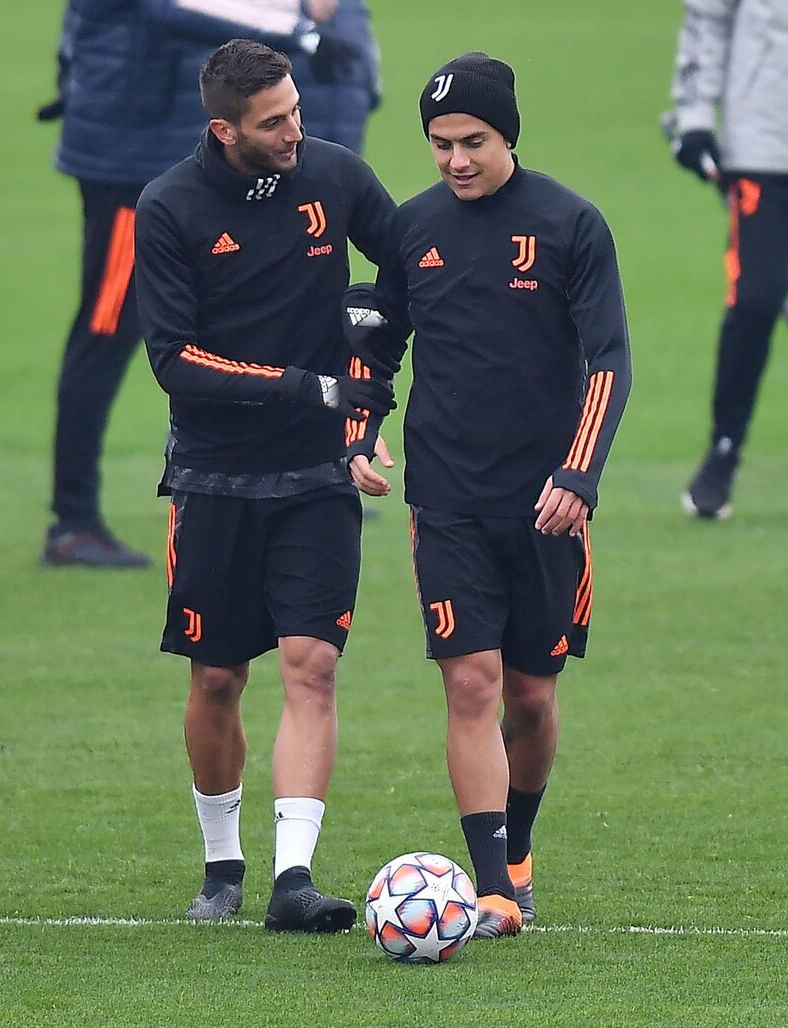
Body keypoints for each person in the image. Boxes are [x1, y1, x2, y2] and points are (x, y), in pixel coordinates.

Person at [343, 52, 631, 938]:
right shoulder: (413, 229)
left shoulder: (571, 224)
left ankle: (521, 844)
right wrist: (359, 425)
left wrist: (577, 475)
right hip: (447, 499)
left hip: (547, 502)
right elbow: (376, 339)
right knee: (470, 683)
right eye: (439, 144)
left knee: (531, 700)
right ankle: (495, 884)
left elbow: (610, 360)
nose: (456, 160)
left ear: (507, 135)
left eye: (472, 142)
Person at [134, 39, 396, 928]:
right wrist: (312, 385)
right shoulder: (168, 207)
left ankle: (292, 880)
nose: (297, 131)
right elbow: (175, 361)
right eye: (274, 121)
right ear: (225, 129)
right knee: (216, 679)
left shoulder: (337, 176)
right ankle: (222, 865)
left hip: (319, 474)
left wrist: (366, 400)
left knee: (311, 666)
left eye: (296, 110)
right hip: (211, 477)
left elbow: (406, 273)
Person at [39, 0, 360, 567]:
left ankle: (309, 476)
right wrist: (302, 33)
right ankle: (74, 518)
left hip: (173, 156)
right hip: (129, 161)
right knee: (108, 324)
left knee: (253, 311)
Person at [666, 0, 788, 519]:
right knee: (755, 301)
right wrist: (693, 117)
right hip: (762, 145)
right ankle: (723, 451)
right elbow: (707, 17)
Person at [293, 0, 382, 154]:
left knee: (344, 169)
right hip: (303, 106)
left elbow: (365, 49)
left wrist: (370, 91)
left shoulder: (352, 5)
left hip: (349, 106)